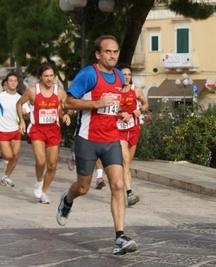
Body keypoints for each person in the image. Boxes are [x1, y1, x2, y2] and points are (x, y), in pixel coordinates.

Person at [56, 35, 138, 255]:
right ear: (98, 54)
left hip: (111, 139)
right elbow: (69, 102)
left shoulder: (120, 76)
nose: (112, 56)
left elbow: (112, 105)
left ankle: (120, 237)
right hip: (88, 140)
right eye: (108, 52)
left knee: (118, 185)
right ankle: (67, 199)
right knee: (83, 187)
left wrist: (121, 113)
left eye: (115, 52)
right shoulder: (88, 74)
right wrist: (96, 103)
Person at [17, 62, 71, 204]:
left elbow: (67, 106)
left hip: (53, 130)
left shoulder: (59, 92)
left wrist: (66, 115)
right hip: (37, 130)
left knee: (52, 165)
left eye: (51, 75)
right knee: (41, 161)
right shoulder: (32, 91)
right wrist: (22, 121)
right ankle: (39, 182)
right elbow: (19, 103)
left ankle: (43, 192)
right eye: (46, 76)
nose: (49, 79)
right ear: (40, 77)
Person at [0, 73, 28, 187]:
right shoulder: (0, 97)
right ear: (7, 83)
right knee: (8, 156)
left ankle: (6, 177)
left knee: (16, 155)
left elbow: (27, 116)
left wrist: (25, 114)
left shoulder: (21, 98)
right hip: (2, 129)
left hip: (15, 129)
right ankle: (0, 153)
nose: (13, 82)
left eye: (15, 80)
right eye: (10, 80)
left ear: (17, 83)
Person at [116, 63, 149, 206]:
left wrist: (140, 111)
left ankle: (122, 186)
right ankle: (129, 193)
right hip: (119, 130)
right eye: (124, 75)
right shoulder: (115, 92)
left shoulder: (136, 90)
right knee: (124, 160)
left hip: (133, 129)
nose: (127, 77)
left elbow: (146, 104)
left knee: (128, 163)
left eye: (129, 75)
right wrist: (119, 112)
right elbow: (111, 108)